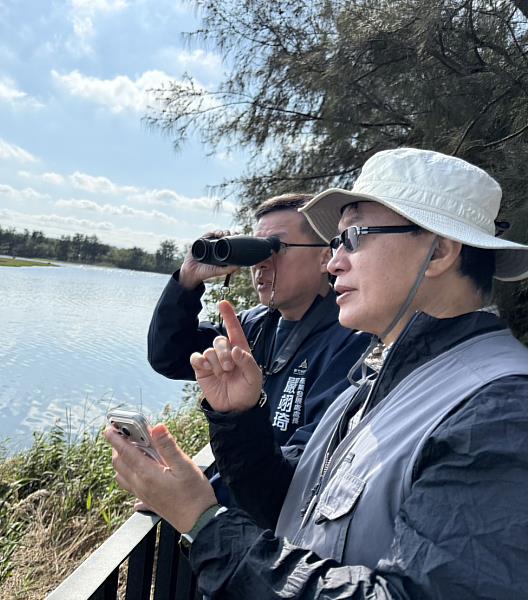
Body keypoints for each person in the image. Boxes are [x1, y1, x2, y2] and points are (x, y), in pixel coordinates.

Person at [106, 148, 528, 598]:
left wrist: (205, 523)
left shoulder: (501, 414)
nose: (334, 262)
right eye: (335, 243)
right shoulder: (382, 379)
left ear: (440, 250)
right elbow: (290, 504)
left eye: (355, 238)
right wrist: (240, 420)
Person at [147, 193, 370, 448]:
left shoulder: (350, 343)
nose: (261, 262)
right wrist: (187, 280)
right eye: (256, 248)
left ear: (324, 258)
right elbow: (169, 358)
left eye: (276, 248)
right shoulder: (253, 326)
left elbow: (305, 462)